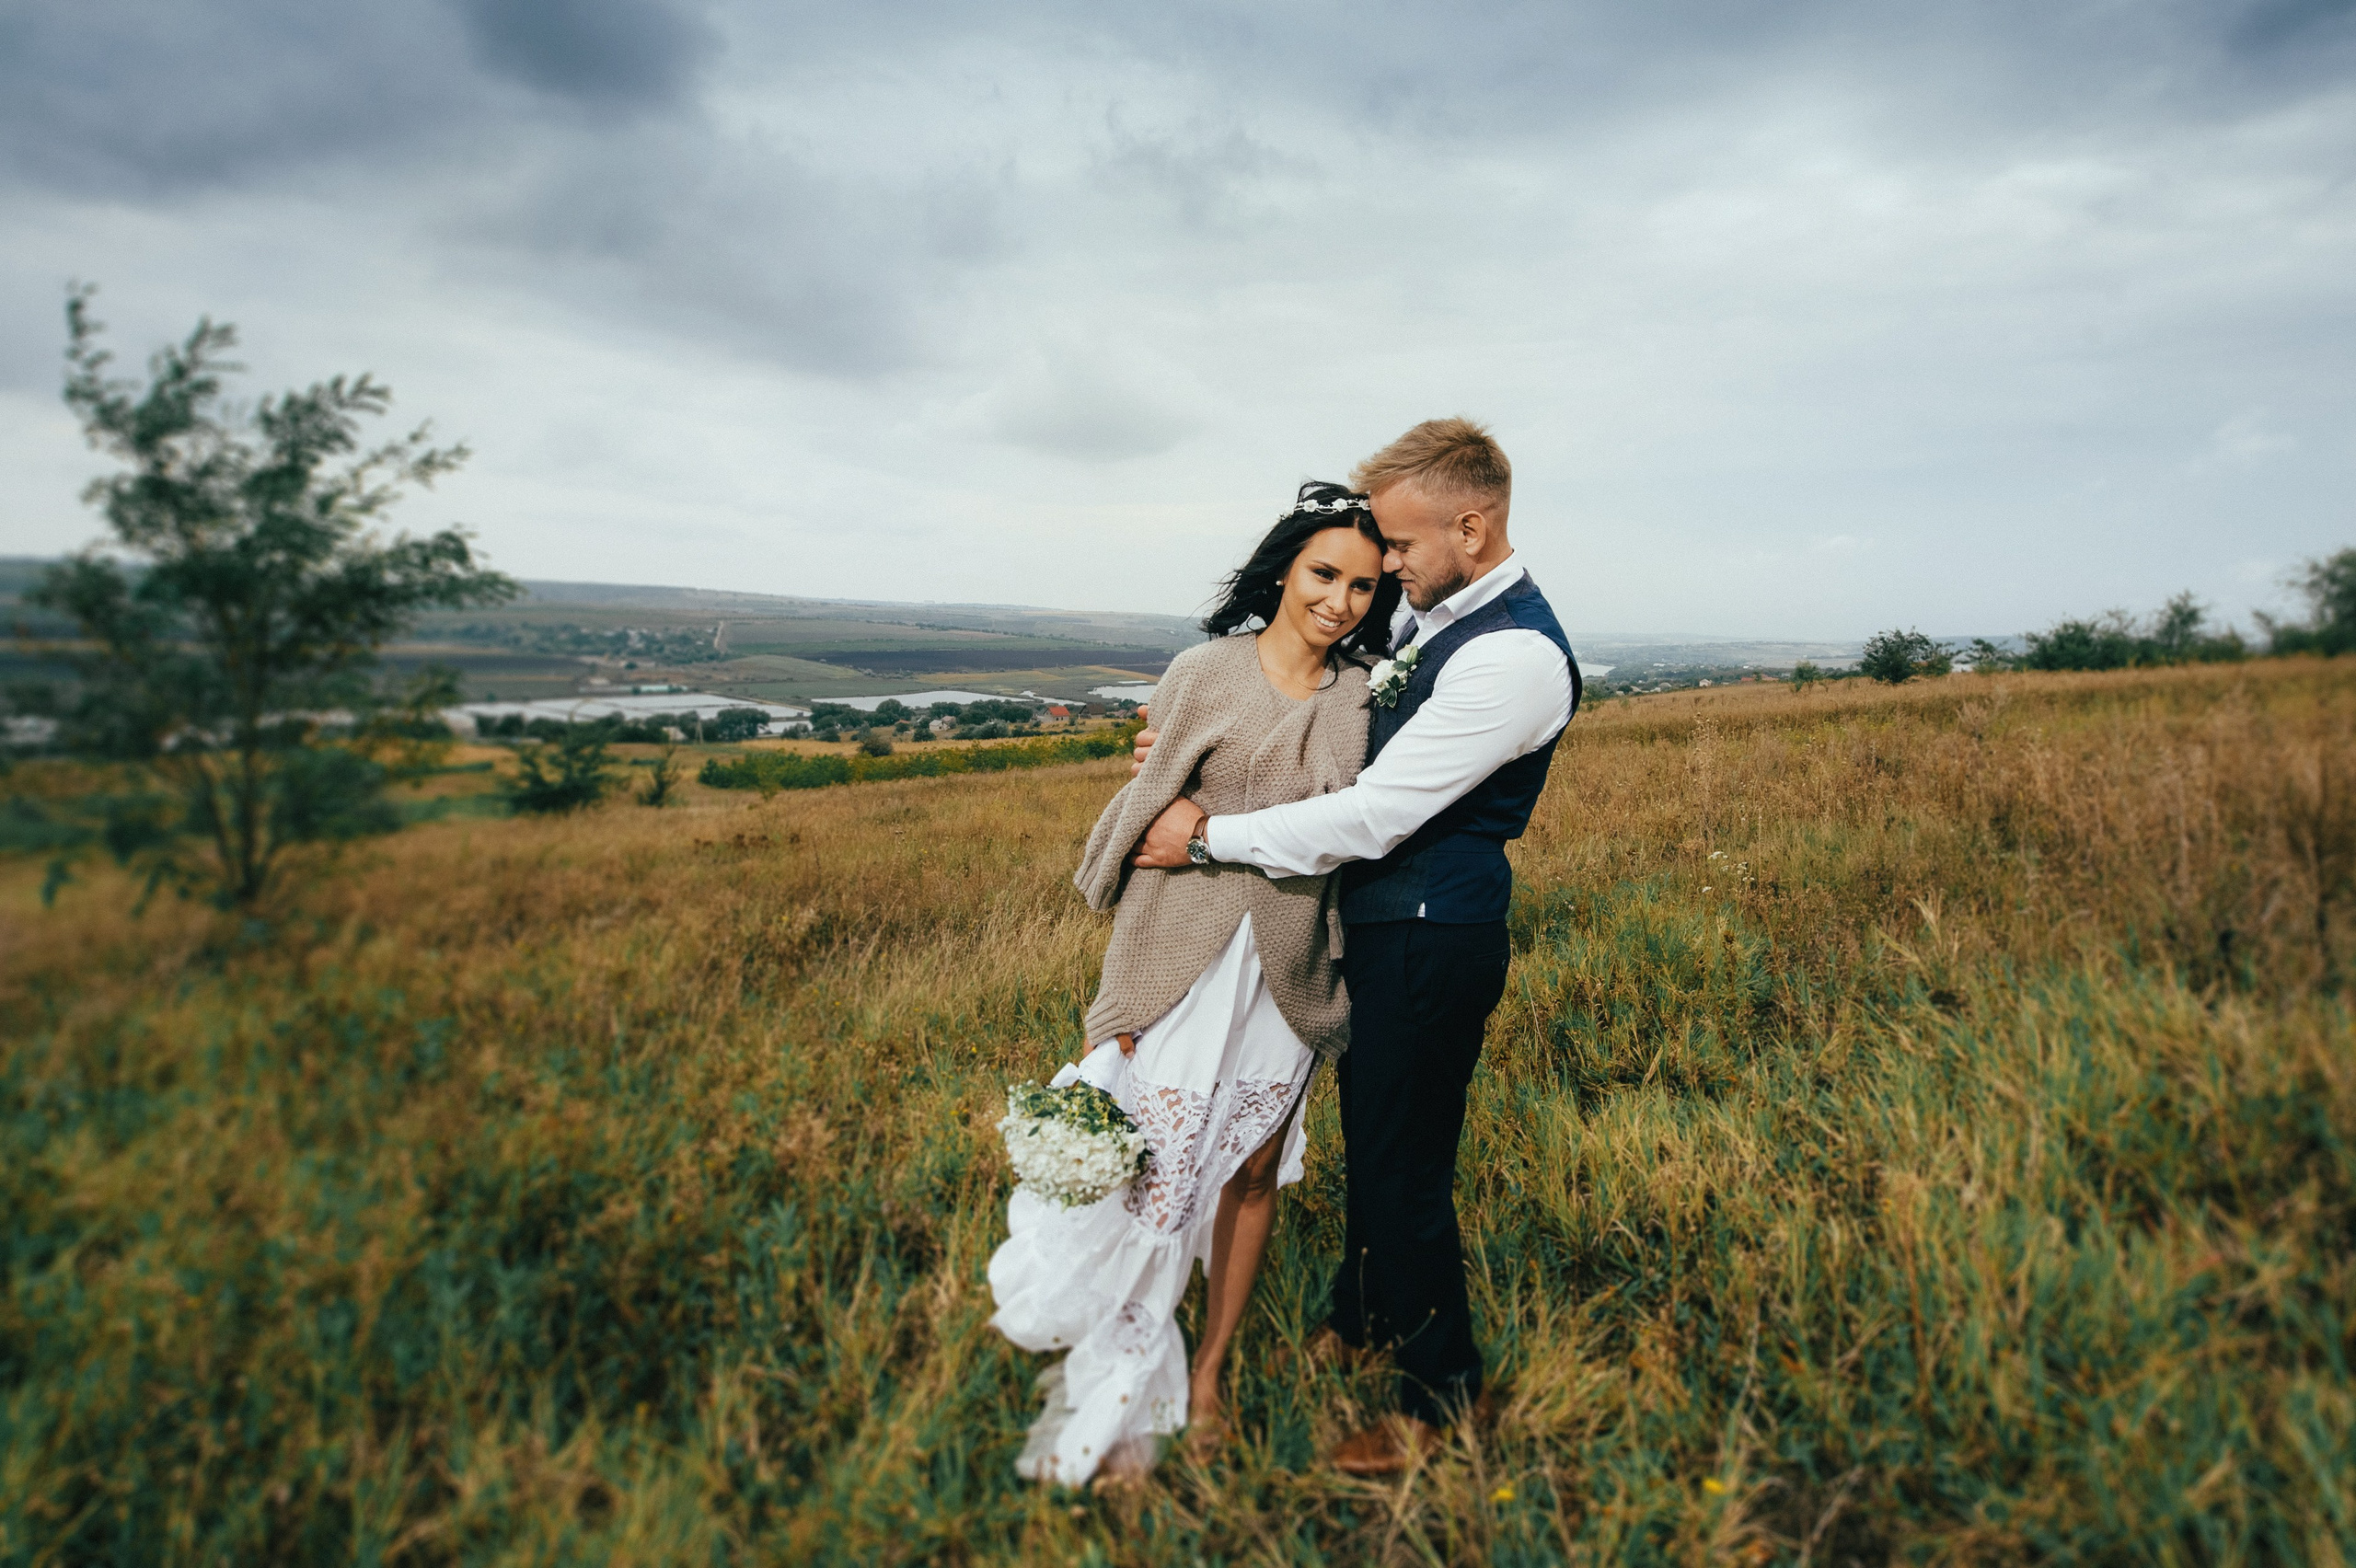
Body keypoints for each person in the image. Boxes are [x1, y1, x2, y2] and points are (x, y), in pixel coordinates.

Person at [1127, 418, 1581, 1476]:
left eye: (1402, 546)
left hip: (1429, 938)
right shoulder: (1434, 615)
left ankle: (1440, 1398)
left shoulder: (1513, 656)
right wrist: (1193, 744)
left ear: (1471, 528)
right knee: (1376, 1139)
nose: (1387, 565)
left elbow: (1373, 816)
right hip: (1377, 931)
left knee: (1402, 1165)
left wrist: (1206, 838)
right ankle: (1362, 1312)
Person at [987, 481, 1400, 1486]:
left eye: (1361, 586)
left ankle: (1208, 1376)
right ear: (1282, 571)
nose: (1340, 601)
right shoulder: (1203, 672)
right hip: (1181, 959)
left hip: (1290, 972)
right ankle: (1124, 1381)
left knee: (1251, 1174)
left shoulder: (1366, 696)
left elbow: (1357, 827)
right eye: (1323, 574)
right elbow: (1146, 816)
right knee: (1155, 1180)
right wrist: (1123, 999)